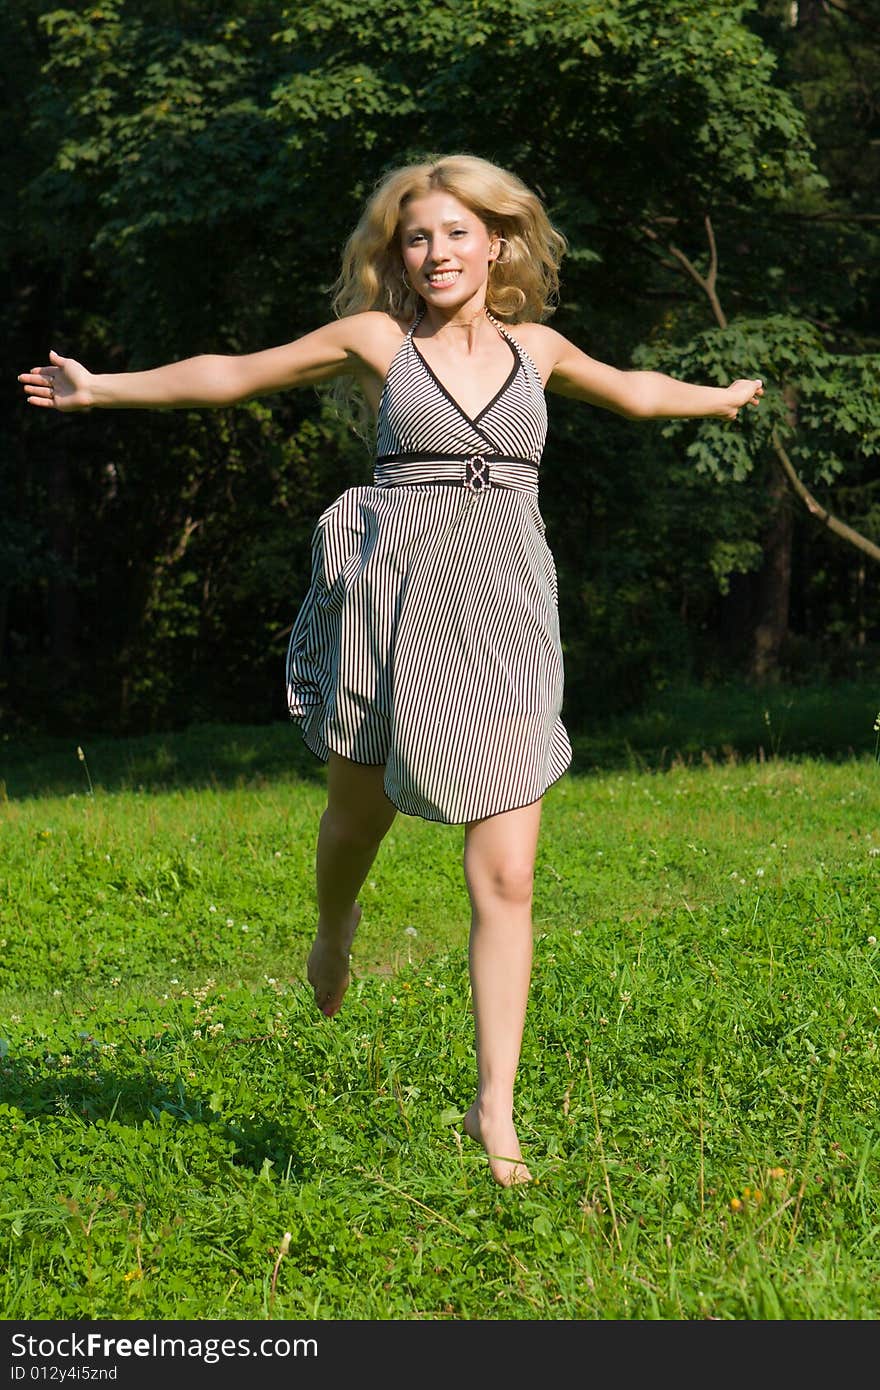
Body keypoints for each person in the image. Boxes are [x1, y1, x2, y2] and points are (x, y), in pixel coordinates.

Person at [18, 153, 763, 1186]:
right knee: (355, 820)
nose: (437, 252)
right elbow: (235, 372)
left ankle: (492, 1106)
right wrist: (103, 391)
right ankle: (335, 926)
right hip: (390, 607)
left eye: (457, 233)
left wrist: (713, 397)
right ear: (397, 256)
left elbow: (632, 391)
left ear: (497, 241)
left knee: (506, 870)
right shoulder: (378, 341)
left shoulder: (536, 347)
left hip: (504, 612)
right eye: (417, 237)